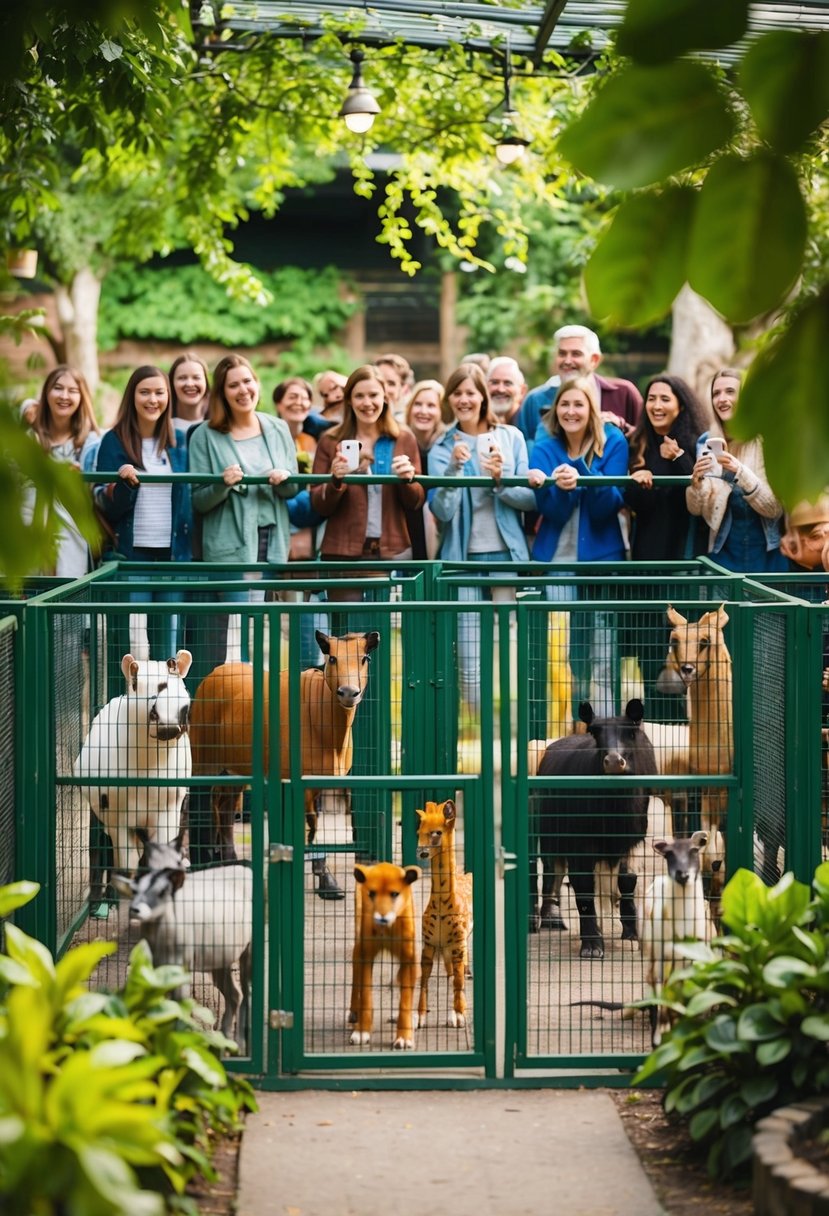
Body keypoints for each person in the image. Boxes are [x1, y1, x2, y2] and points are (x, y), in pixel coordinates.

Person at [428, 363, 536, 710]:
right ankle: (477, 724)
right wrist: (453, 471)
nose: (464, 399)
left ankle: (509, 721)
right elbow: (441, 512)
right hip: (463, 557)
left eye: (470, 392)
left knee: (508, 642)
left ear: (482, 396)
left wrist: (501, 479)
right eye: (457, 393)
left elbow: (530, 500)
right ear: (450, 399)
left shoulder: (511, 437)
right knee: (469, 644)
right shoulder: (442, 446)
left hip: (504, 553)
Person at [528, 375, 629, 719]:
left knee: (601, 650)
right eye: (565, 404)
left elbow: (607, 508)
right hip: (557, 561)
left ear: (591, 409)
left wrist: (582, 474)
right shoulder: (543, 446)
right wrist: (559, 489)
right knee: (561, 653)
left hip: (600, 559)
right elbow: (551, 511)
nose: (571, 411)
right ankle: (563, 730)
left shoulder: (612, 441)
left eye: (578, 404)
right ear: (557, 410)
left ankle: (603, 729)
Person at [189, 354, 298, 669]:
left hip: (270, 540)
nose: (242, 390)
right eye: (233, 385)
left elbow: (294, 488)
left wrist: (283, 479)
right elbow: (198, 500)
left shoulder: (277, 428)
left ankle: (259, 700)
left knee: (261, 628)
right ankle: (229, 700)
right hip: (230, 545)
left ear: (257, 383)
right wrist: (222, 485)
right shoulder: (205, 436)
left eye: (247, 381)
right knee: (232, 631)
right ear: (222, 393)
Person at [624, 373, 711, 722]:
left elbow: (699, 495)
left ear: (681, 404)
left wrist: (677, 458)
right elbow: (636, 507)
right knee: (650, 658)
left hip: (682, 565)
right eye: (652, 399)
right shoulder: (639, 445)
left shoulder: (693, 444)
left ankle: (689, 732)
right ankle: (658, 733)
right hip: (646, 564)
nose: (657, 405)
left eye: (665, 399)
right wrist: (638, 482)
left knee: (685, 660)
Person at [95, 365, 192, 659]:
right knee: (131, 643)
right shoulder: (114, 440)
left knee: (169, 643)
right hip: (131, 554)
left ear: (168, 397)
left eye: (159, 392)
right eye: (145, 392)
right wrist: (123, 484)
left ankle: (166, 703)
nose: (153, 400)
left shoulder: (179, 442)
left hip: (172, 555)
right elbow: (106, 504)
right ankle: (124, 702)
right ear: (132, 397)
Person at [310, 364, 423, 600]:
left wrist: (407, 480)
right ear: (349, 400)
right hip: (342, 550)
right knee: (345, 632)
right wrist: (336, 481)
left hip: (390, 549)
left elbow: (416, 501)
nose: (367, 402)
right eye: (359, 396)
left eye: (373, 395)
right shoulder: (330, 441)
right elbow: (319, 504)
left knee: (379, 631)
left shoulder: (403, 438)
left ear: (385, 397)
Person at [686, 368, 786, 573]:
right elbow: (696, 510)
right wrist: (696, 483)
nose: (722, 399)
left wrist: (738, 471)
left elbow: (774, 509)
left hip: (766, 553)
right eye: (716, 393)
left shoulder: (766, 438)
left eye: (730, 391)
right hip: (722, 552)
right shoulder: (706, 441)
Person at [516, 325, 643, 454]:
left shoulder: (624, 393)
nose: (567, 360)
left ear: (594, 360)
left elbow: (644, 441)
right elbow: (523, 452)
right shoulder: (535, 401)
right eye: (562, 353)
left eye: (576, 354)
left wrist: (620, 426)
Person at [29, 365, 101, 577]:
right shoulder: (28, 438)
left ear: (82, 397)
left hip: (73, 533)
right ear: (46, 393)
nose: (64, 396)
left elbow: (96, 493)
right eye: (58, 388)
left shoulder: (91, 443)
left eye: (73, 390)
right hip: (33, 529)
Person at [404, 378, 445, 560]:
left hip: (438, 529)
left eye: (431, 405)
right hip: (406, 526)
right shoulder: (399, 442)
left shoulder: (447, 446)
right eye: (418, 404)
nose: (423, 411)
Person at [168, 351, 210, 431]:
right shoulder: (161, 426)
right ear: (171, 383)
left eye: (196, 377)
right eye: (182, 378)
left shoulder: (221, 423)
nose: (190, 384)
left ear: (206, 382)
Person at [486, 356, 526, 425]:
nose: (501, 389)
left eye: (508, 383)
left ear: (522, 391)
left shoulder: (530, 424)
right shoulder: (482, 425)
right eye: (495, 382)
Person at [374, 353, 413, 420]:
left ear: (404, 388)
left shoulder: (408, 422)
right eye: (379, 382)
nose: (384, 389)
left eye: (391, 383)